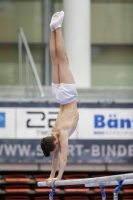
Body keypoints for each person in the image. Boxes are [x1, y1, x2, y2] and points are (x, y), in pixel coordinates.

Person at [40, 11, 79, 187]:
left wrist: (58, 177)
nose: (57, 149)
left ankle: (58, 27)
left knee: (62, 60)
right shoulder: (54, 131)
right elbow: (55, 158)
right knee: (55, 61)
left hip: (68, 96)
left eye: (56, 147)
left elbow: (63, 156)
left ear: (55, 142)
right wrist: (51, 176)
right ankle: (52, 29)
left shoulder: (61, 132)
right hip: (57, 95)